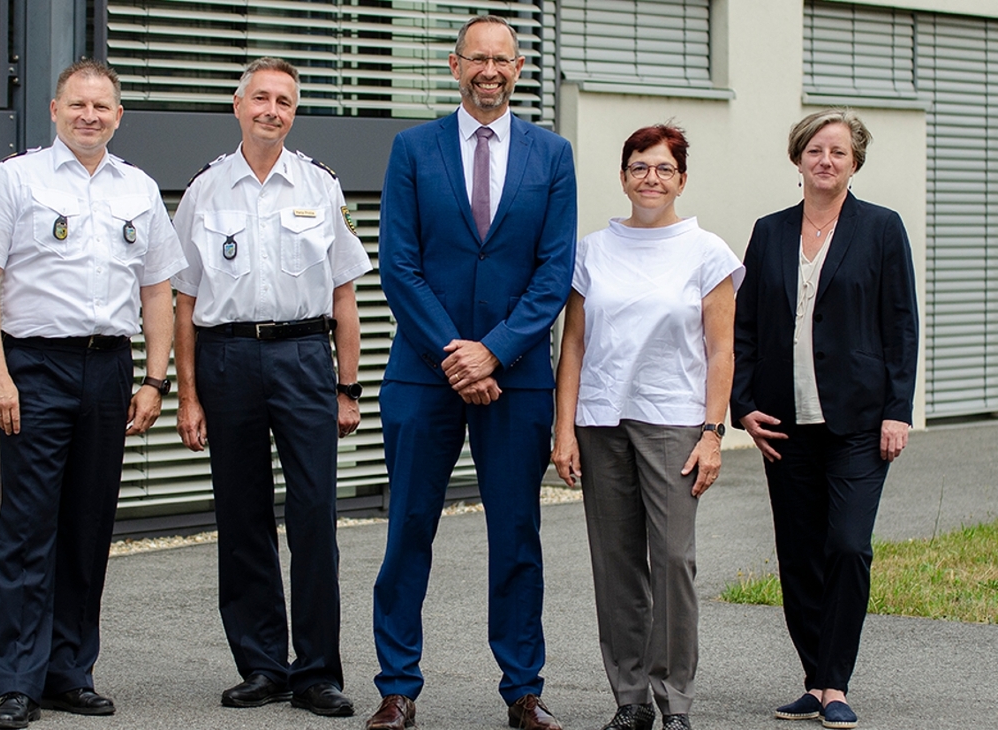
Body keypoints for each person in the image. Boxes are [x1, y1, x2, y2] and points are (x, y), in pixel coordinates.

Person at [0, 60, 186, 729]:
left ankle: (69, 672)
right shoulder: (15, 179)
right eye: (78, 105)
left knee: (87, 529)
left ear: (119, 116)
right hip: (33, 366)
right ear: (55, 109)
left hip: (108, 368)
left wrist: (153, 379)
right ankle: (18, 681)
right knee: (27, 532)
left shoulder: (137, 189)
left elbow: (157, 293)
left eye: (103, 107)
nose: (90, 116)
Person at [366, 14, 577, 730]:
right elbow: (398, 265)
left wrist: (496, 351)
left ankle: (522, 688)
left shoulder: (551, 155)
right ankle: (397, 686)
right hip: (423, 375)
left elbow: (553, 273)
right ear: (455, 66)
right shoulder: (412, 149)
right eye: (476, 59)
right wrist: (457, 354)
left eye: (502, 60)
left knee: (516, 533)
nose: (489, 71)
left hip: (514, 379)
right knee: (407, 529)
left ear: (517, 69)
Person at [172, 56, 370, 719]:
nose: (272, 110)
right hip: (226, 358)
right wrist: (188, 394)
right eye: (261, 97)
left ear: (293, 112)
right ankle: (261, 666)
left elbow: (344, 296)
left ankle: (316, 673)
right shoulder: (205, 190)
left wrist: (349, 388)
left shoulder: (319, 184)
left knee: (314, 516)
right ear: (238, 106)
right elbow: (183, 301)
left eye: (284, 101)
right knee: (242, 515)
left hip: (303, 357)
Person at [730, 109, 918, 730]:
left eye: (839, 152)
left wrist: (897, 410)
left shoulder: (881, 229)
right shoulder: (770, 231)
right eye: (816, 150)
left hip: (860, 421)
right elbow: (747, 327)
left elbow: (900, 325)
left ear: (854, 161)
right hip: (785, 422)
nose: (826, 161)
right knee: (799, 553)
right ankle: (815, 681)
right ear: (799, 158)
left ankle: (837, 682)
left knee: (847, 546)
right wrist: (743, 405)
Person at [551, 125, 743, 730]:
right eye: (639, 167)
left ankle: (675, 701)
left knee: (673, 561)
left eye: (663, 168)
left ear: (681, 179)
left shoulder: (706, 251)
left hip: (674, 424)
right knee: (616, 564)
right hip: (602, 422)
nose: (650, 178)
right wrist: (564, 429)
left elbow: (720, 351)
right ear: (623, 175)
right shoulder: (592, 250)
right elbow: (574, 345)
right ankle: (630, 700)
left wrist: (713, 432)